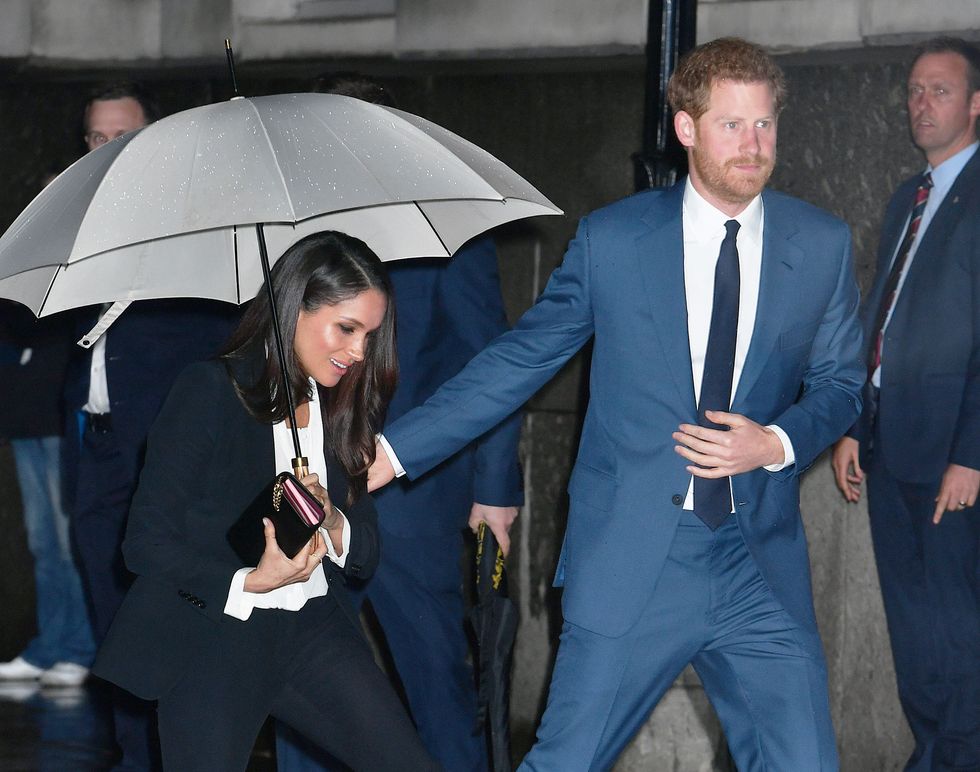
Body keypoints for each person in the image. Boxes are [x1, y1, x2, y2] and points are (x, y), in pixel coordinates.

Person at [369, 37, 865, 770]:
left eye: (764, 124)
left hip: (758, 561)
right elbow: (518, 359)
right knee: (565, 761)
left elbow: (842, 384)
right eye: (731, 124)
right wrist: (392, 451)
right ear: (686, 128)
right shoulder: (614, 240)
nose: (753, 144)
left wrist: (776, 443)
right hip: (637, 555)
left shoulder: (821, 243)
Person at [92, 231, 439, 772]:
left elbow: (366, 553)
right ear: (294, 309)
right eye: (346, 329)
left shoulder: (342, 409)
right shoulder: (211, 390)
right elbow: (145, 543)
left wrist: (334, 519)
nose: (359, 353)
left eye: (370, 336)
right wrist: (249, 581)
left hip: (313, 630)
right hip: (215, 634)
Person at [276, 73, 523, 772]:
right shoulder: (292, 239)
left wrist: (494, 488)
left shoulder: (449, 236)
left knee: (435, 677)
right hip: (302, 484)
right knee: (296, 675)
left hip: (411, 498)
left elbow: (491, 367)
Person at [63, 81, 238, 770]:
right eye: (95, 137)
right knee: (111, 614)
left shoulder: (194, 225)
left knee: (167, 614)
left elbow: (225, 334)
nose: (106, 149)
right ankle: (135, 757)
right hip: (99, 445)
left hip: (167, 450)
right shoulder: (80, 225)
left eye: (121, 136)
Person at [831, 37, 980, 772]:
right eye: (915, 90)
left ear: (976, 104)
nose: (922, 103)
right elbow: (881, 318)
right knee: (913, 631)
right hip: (889, 445)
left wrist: (971, 454)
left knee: (958, 630)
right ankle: (934, 754)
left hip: (953, 455)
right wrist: (853, 425)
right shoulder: (907, 197)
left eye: (940, 90)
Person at [0, 300, 95, 687]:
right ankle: (49, 646)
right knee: (43, 544)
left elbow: (67, 341)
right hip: (23, 422)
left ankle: (79, 647)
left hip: (58, 422)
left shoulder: (63, 300)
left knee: (66, 543)